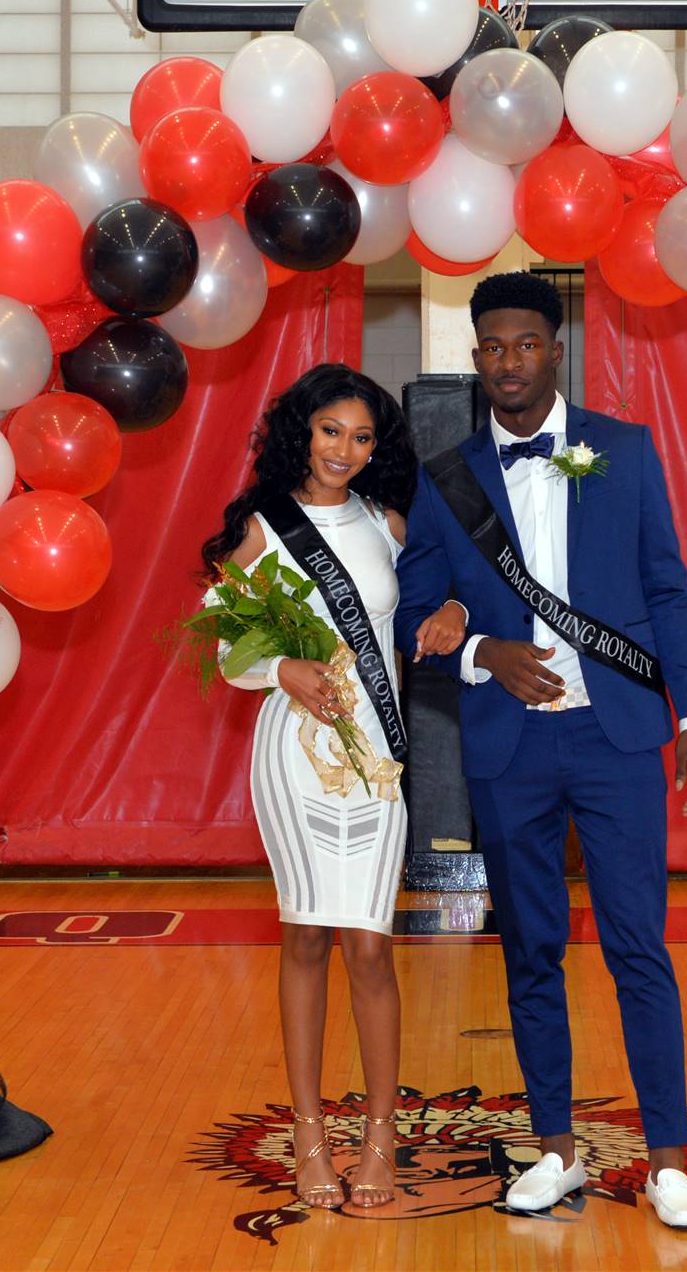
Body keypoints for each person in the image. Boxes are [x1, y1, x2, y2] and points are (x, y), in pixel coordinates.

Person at [396, 272, 687, 1230]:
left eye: (525, 344)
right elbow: (418, 612)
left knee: (637, 946)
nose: (508, 362)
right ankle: (555, 1150)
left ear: (555, 349)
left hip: (617, 738)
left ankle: (666, 1161)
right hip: (509, 747)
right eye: (491, 347)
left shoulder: (623, 450)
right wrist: (485, 653)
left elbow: (667, 587)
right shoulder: (446, 475)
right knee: (532, 950)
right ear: (476, 357)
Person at [200, 363, 425, 1211]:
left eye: (363, 436)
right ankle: (306, 1130)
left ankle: (378, 1133)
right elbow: (227, 651)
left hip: (377, 757)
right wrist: (283, 666)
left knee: (368, 943)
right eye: (331, 430)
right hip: (293, 753)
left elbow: (430, 608)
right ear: (302, 430)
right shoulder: (260, 529)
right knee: (304, 937)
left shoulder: (388, 523)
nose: (345, 449)